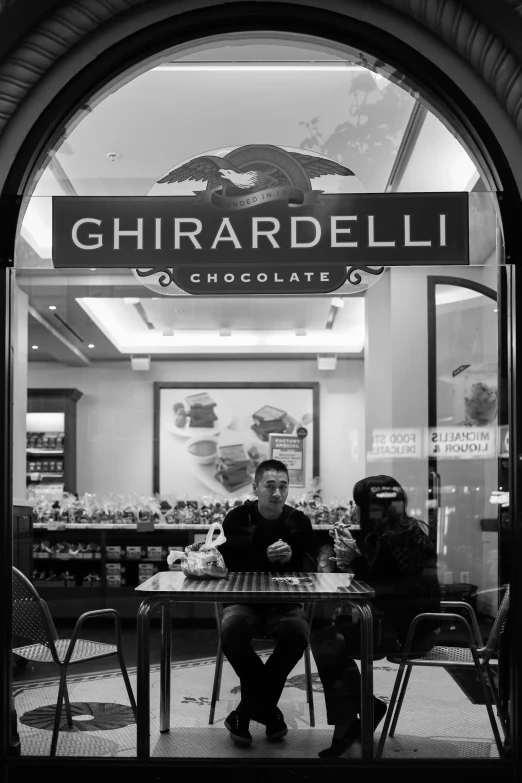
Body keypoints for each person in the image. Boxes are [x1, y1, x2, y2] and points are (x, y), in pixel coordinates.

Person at [311, 474, 441, 758]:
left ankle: (351, 720)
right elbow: (381, 581)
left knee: (324, 638)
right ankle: (363, 710)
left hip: (408, 631)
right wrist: (354, 558)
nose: (354, 510)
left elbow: (382, 591)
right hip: (403, 623)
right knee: (326, 634)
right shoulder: (402, 532)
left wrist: (354, 560)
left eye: (358, 504)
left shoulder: (399, 540)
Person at [218, 459, 316, 746]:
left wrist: (290, 560)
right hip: (243, 601)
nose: (277, 493)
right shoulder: (237, 519)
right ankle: (269, 712)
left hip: (284, 604)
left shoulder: (299, 521)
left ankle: (244, 712)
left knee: (297, 633)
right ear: (255, 487)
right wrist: (265, 558)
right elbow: (227, 565)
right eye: (270, 486)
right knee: (232, 629)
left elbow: (311, 571)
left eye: (283, 486)